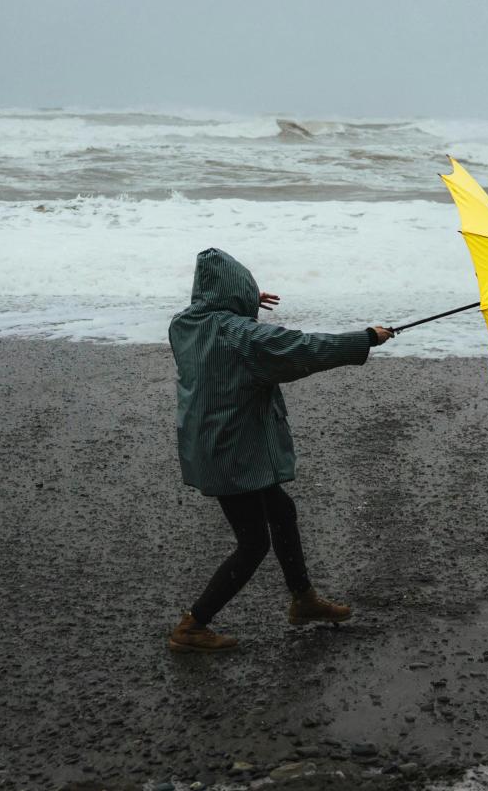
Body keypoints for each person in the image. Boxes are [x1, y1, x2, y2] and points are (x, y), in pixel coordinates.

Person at [166, 247, 394, 652]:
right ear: (234, 292)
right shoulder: (241, 336)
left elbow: (221, 319)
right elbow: (302, 348)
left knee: (282, 510)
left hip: (212, 443)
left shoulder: (184, 325)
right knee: (253, 543)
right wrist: (365, 340)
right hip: (233, 453)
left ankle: (303, 600)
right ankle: (193, 624)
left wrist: (243, 301)